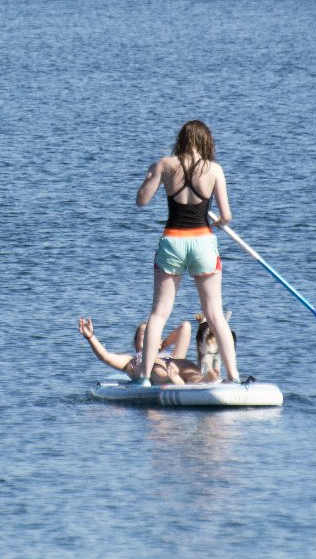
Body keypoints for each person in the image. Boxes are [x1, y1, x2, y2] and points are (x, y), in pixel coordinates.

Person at [133, 120, 241, 385]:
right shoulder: (215, 170)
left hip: (173, 242)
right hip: (203, 242)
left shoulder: (165, 165)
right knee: (215, 314)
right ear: (206, 142)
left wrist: (152, 174)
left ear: (180, 140)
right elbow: (226, 216)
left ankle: (144, 377)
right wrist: (220, 223)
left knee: (159, 313)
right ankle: (234, 378)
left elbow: (141, 200)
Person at [77, 317, 206, 385]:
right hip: (154, 370)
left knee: (186, 365)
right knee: (155, 367)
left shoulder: (169, 355)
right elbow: (105, 356)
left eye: (152, 333)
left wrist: (161, 345)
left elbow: (185, 327)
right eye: (145, 333)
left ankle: (200, 381)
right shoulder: (130, 361)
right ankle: (174, 380)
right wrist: (90, 337)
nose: (150, 335)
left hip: (173, 364)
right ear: (135, 343)